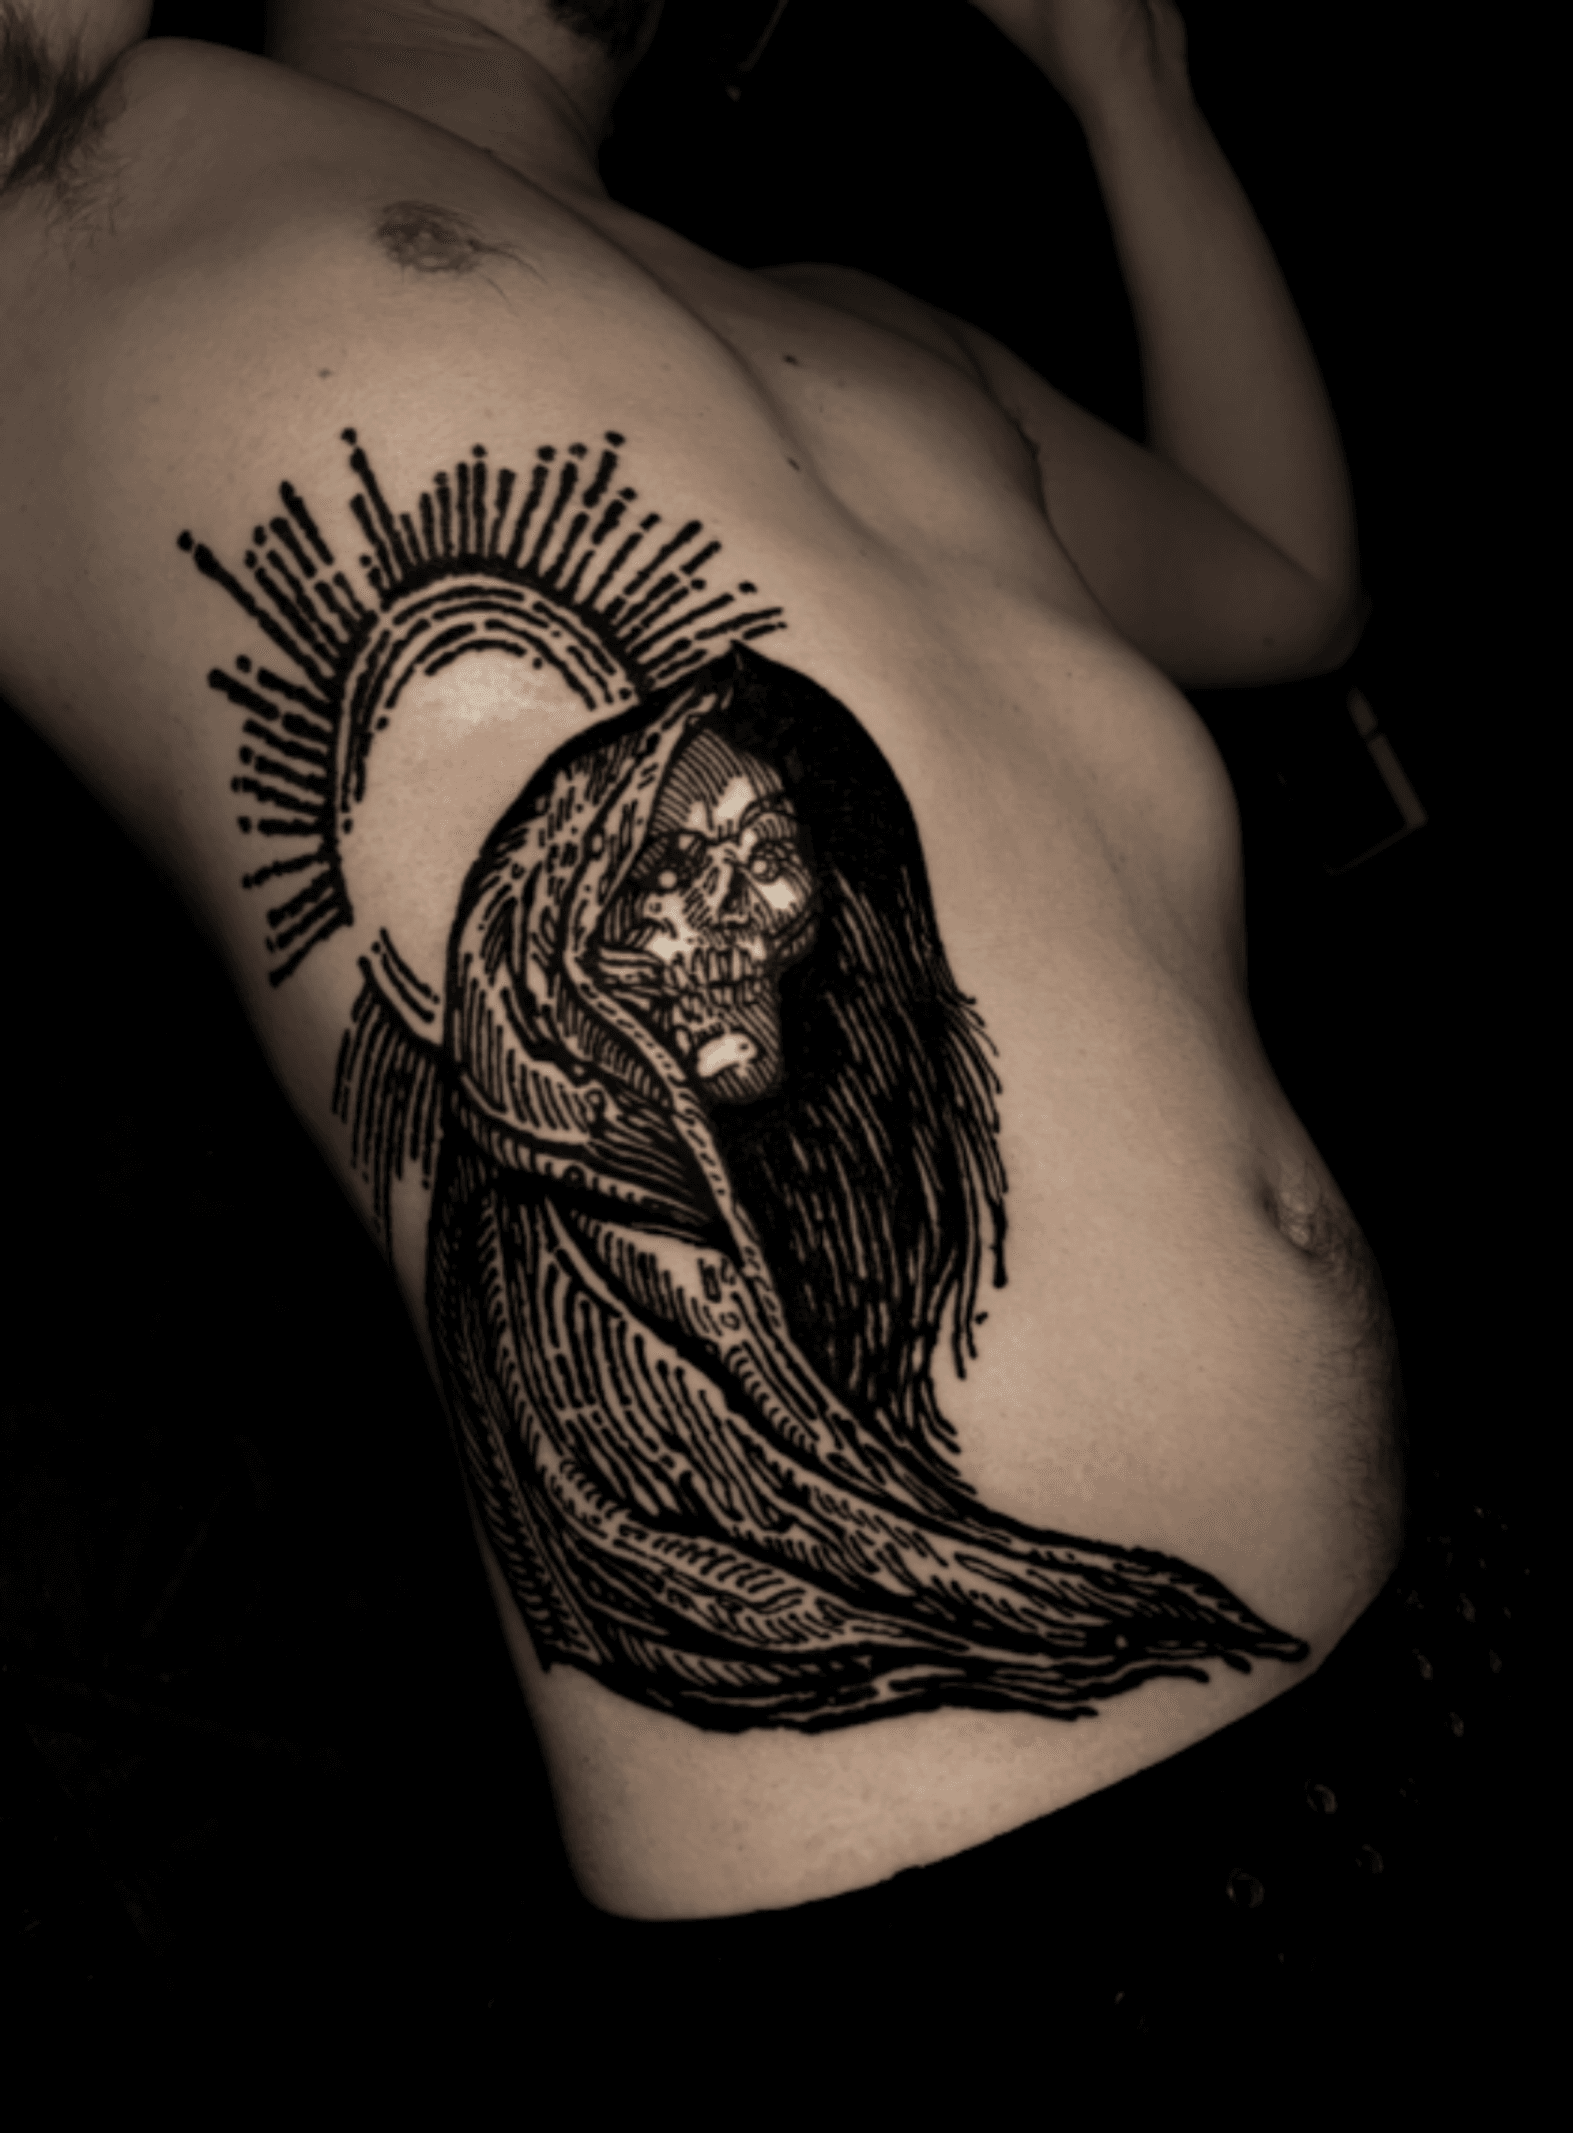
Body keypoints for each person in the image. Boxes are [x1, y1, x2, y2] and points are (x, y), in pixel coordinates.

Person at [0, 0, 1405, 1938]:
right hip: (993, 1873)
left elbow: (1284, 581)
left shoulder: (869, 332)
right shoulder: (71, 196)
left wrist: (1125, 79)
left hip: (1412, 1622)